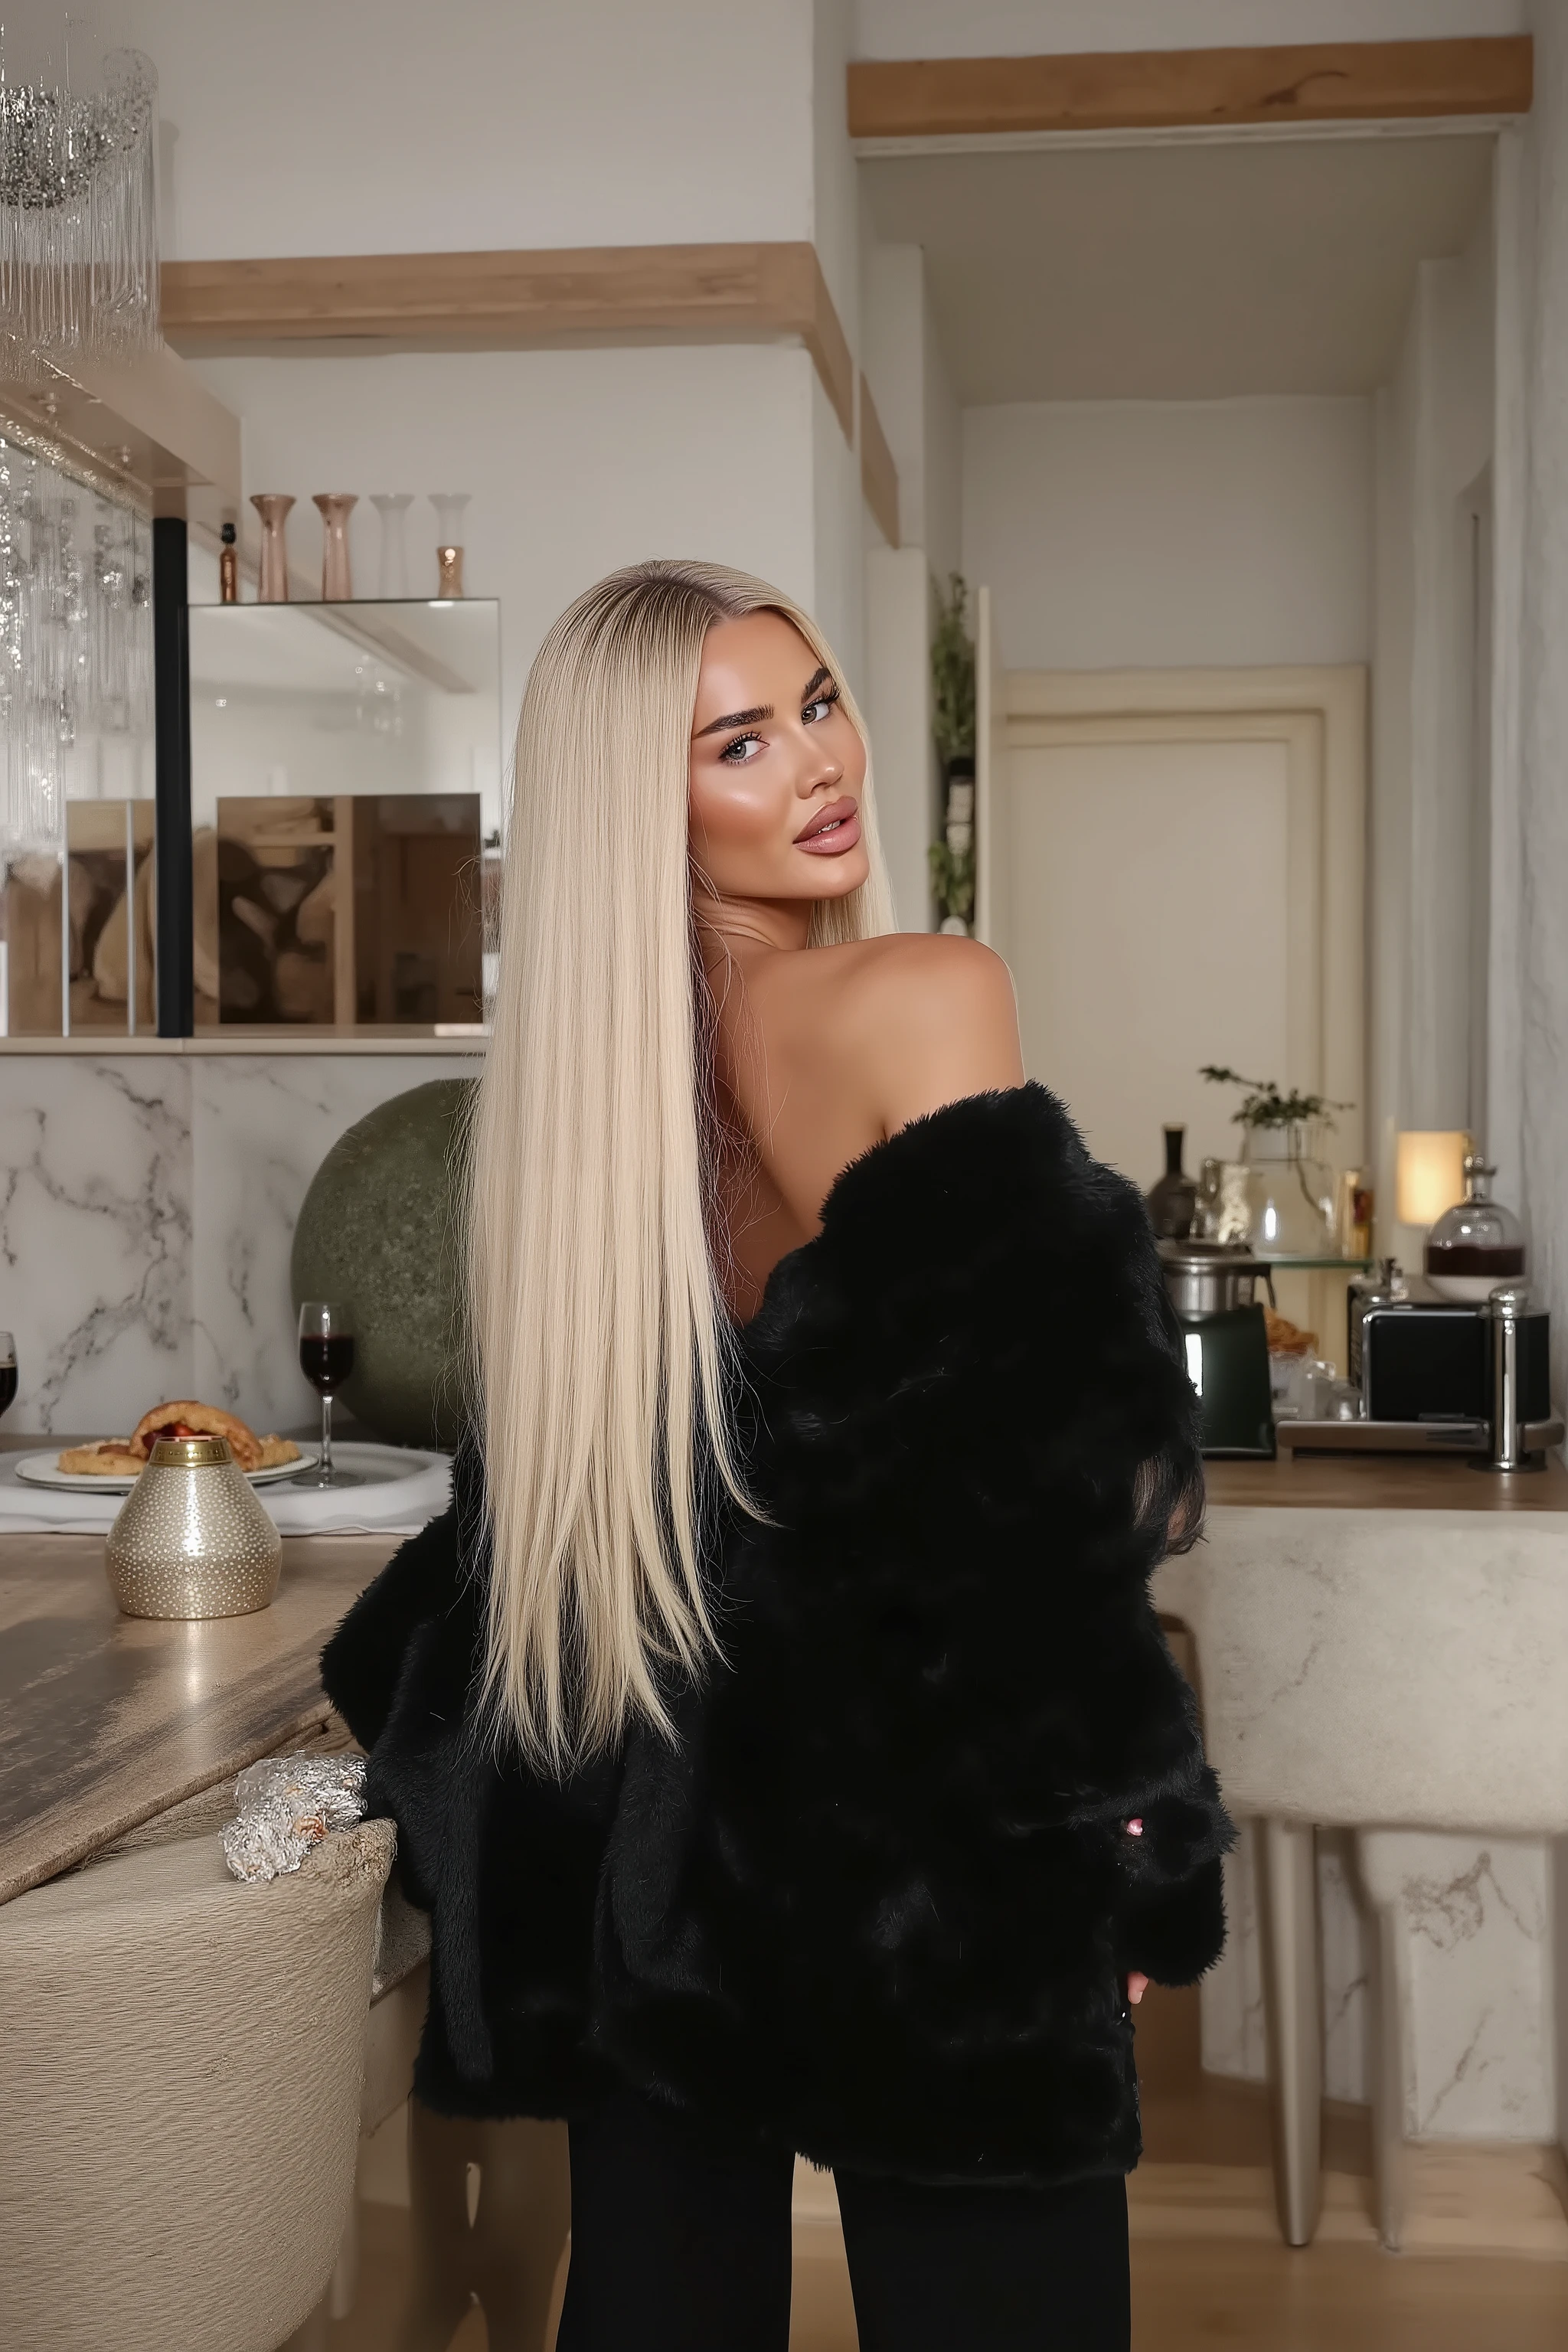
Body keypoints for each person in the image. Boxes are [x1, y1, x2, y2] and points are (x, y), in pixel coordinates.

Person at [324, 559, 1233, 2351]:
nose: (819, 764)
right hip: (933, 1848)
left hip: (663, 1862)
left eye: (815, 702)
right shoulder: (919, 998)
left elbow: (530, 1534)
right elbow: (1040, 1503)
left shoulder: (581, 1127)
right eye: (739, 741)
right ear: (637, 809)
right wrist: (1135, 1839)